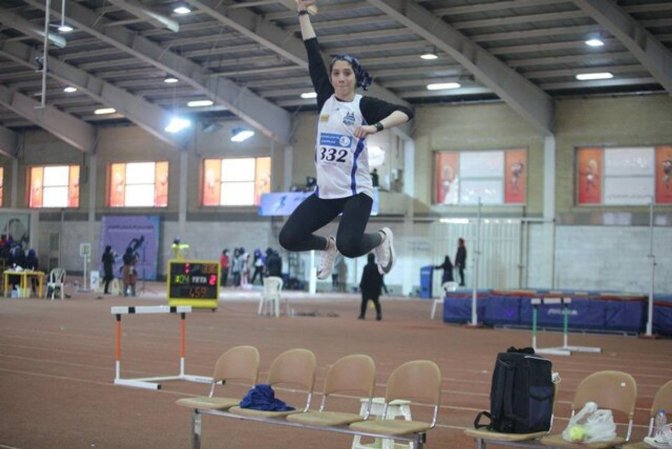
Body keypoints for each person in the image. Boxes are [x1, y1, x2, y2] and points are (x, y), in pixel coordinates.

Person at [278, 0, 414, 281]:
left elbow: (405, 112)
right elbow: (312, 50)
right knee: (288, 238)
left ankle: (381, 238)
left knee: (349, 246)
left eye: (346, 73)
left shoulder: (364, 105)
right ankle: (327, 246)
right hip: (326, 193)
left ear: (355, 76)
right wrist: (302, 12)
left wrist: (375, 127)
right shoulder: (325, 98)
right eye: (336, 73)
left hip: (355, 192)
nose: (340, 78)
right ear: (330, 78)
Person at [358, 253, 383, 321]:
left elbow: (364, 278)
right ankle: (379, 315)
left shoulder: (366, 267)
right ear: (374, 259)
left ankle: (362, 315)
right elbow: (381, 278)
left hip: (367, 289)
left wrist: (361, 286)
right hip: (375, 288)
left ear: (368, 259)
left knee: (364, 302)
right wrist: (380, 286)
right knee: (376, 302)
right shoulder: (377, 267)